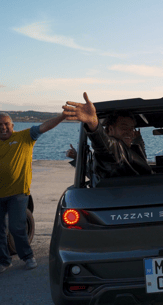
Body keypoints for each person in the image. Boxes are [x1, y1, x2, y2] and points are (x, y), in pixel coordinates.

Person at [0, 112, 66, 273]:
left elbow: (45, 126)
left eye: (6, 124)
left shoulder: (25, 137)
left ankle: (28, 256)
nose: (3, 127)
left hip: (18, 193)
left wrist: (63, 116)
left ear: (12, 126)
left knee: (16, 227)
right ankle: (4, 261)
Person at [62, 92, 152, 179]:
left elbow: (93, 172)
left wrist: (77, 158)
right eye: (124, 128)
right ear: (110, 130)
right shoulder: (117, 149)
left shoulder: (126, 152)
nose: (129, 132)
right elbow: (107, 146)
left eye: (132, 128)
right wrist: (93, 124)